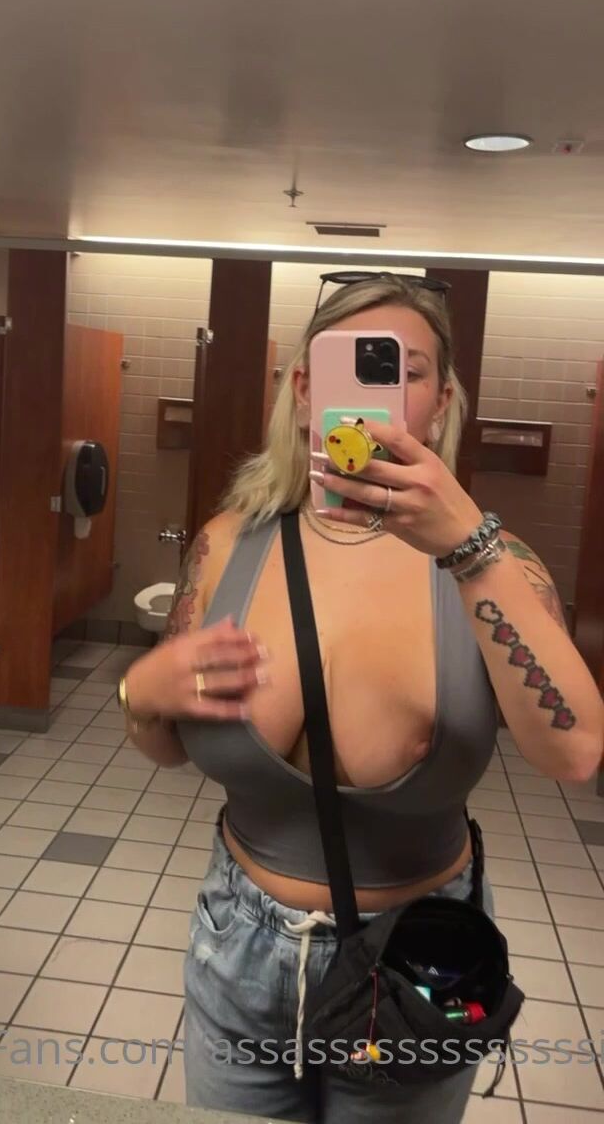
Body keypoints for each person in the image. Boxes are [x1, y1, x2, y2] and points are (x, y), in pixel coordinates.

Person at [121, 272, 603, 1124]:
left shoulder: (496, 568)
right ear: (306, 391)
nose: (380, 392)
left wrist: (471, 549)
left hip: (413, 962)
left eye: (406, 371)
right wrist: (139, 690)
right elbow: (162, 744)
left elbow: (574, 752)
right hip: (236, 949)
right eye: (352, 365)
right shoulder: (227, 546)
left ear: (441, 402)